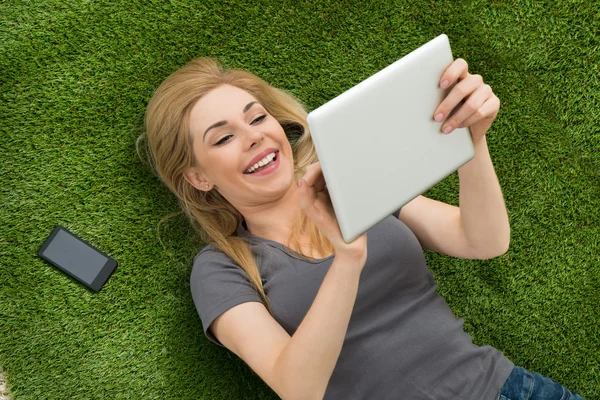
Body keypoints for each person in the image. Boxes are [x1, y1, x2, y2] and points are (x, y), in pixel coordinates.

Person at [138, 56, 585, 400]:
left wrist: (473, 142)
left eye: (257, 118)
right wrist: (347, 258)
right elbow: (299, 388)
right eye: (223, 137)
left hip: (509, 390)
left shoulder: (349, 180)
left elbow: (483, 241)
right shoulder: (220, 267)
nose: (254, 135)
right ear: (198, 177)